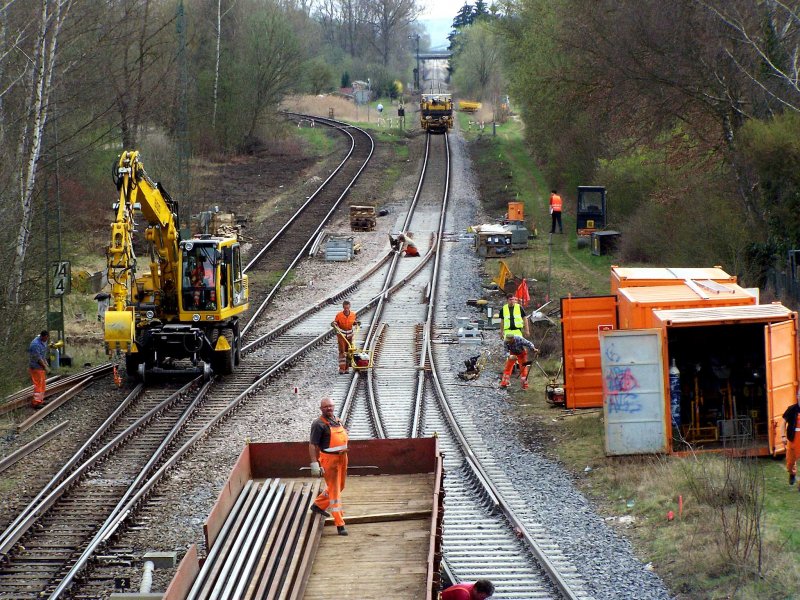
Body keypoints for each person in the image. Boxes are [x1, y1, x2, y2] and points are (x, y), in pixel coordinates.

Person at [309, 397, 350, 536]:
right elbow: (312, 444)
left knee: (341, 486)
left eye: (331, 406)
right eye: (326, 407)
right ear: (321, 408)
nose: (329, 408)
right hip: (329, 460)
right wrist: (314, 464)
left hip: (342, 457)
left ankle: (318, 505)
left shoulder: (337, 421)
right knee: (335, 492)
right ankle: (340, 524)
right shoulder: (318, 424)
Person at [332, 300, 357, 374]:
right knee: (342, 351)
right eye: (345, 308)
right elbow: (336, 322)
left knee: (349, 351)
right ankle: (342, 368)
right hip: (341, 335)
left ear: (349, 307)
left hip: (349, 335)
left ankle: (347, 368)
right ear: (343, 307)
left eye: (347, 308)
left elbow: (353, 322)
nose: (346, 310)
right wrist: (333, 324)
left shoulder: (353, 314)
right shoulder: (339, 315)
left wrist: (356, 323)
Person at [782, 391, 800, 488]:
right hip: (792, 439)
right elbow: (783, 423)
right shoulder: (791, 409)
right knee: (790, 462)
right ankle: (792, 473)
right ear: (797, 397)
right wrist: (783, 436)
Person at [28, 330, 50, 409]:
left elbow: (42, 354)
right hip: (36, 367)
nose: (46, 340)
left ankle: (40, 400)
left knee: (42, 384)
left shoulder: (42, 341)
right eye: (46, 338)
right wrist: (45, 367)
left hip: (40, 367)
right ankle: (36, 403)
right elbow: (38, 358)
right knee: (38, 385)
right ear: (43, 336)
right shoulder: (35, 345)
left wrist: (46, 363)